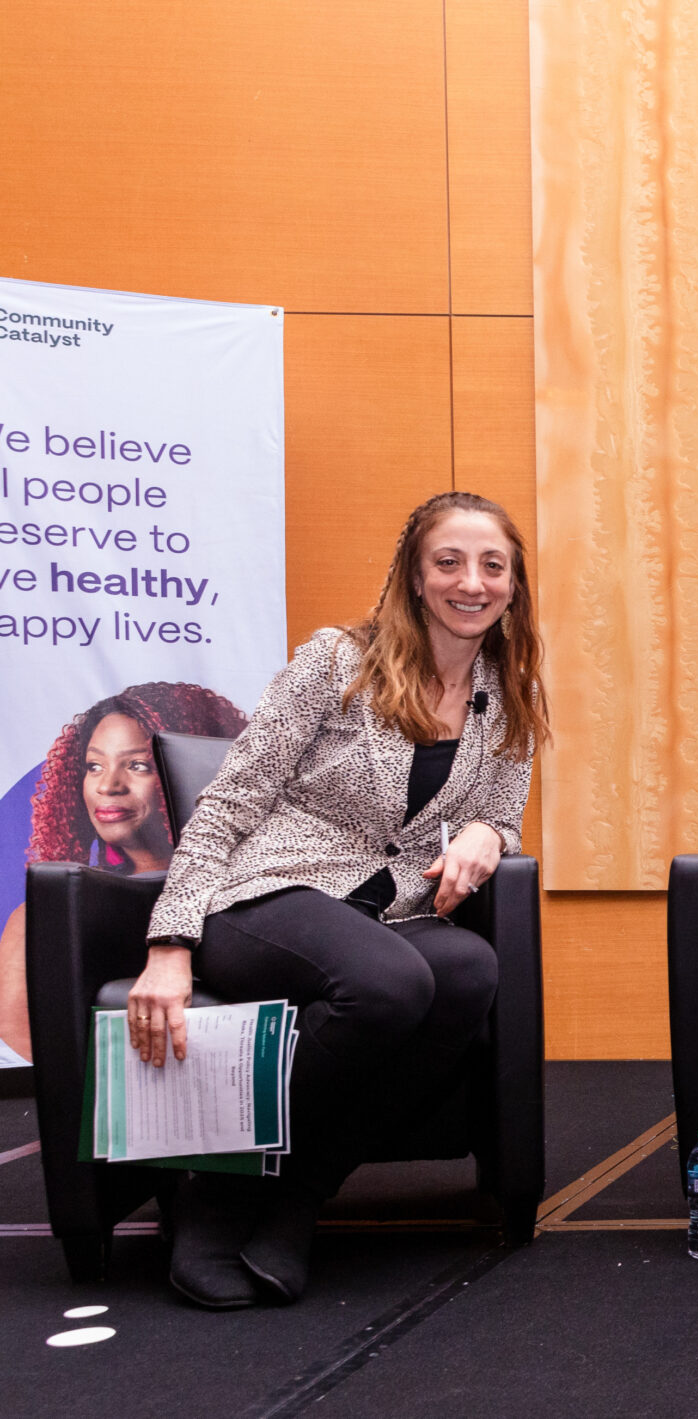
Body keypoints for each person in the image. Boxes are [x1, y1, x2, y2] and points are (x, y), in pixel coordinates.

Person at [125, 491, 547, 1310]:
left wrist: (489, 838)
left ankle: (300, 1192)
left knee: (465, 970)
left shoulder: (512, 692)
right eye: (449, 562)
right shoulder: (335, 661)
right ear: (415, 577)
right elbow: (229, 802)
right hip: (266, 895)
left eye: (493, 565)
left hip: (385, 911)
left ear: (513, 585)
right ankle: (215, 1191)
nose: (473, 581)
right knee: (391, 983)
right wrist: (169, 944)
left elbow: (499, 810)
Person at [2, 683, 247, 1065]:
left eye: (137, 765)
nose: (108, 786)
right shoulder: (40, 917)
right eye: (94, 766)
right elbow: (33, 1050)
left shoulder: (252, 893)